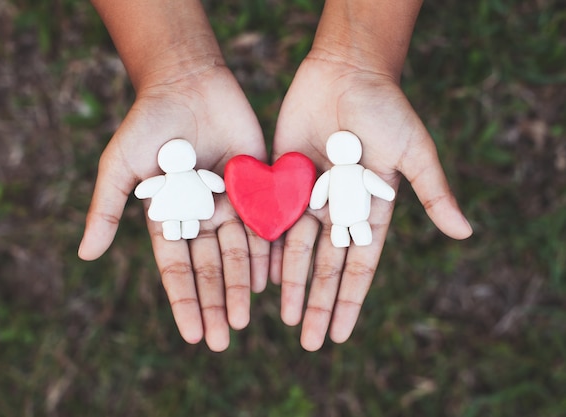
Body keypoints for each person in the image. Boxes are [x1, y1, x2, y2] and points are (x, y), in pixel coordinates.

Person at [78, 0, 473, 352]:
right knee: (343, 230)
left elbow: (318, 191)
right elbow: (226, 184)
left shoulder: (334, 174)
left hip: (260, 201)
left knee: (343, 229)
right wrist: (171, 69)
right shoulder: (330, 173)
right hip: (205, 201)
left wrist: (362, 58)